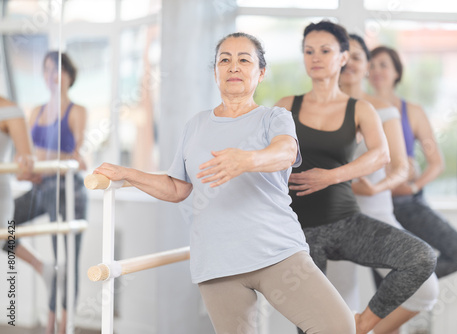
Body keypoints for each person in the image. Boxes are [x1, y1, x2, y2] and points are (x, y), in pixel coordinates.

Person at [93, 32, 355, 334]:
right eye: (224, 60)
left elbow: (285, 153)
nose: (234, 67)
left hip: (277, 251)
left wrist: (245, 160)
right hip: (218, 262)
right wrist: (128, 174)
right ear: (215, 72)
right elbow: (177, 187)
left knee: (338, 326)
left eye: (244, 60)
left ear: (260, 72)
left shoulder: (274, 117)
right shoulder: (196, 125)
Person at [274, 20, 437, 334]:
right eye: (308, 51)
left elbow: (381, 154)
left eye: (325, 50)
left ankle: (362, 323)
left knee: (420, 257)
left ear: (343, 57)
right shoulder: (285, 107)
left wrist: (332, 176)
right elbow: (266, 159)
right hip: (298, 232)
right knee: (312, 326)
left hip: (346, 222)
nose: (315, 57)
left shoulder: (360, 108)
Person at [337, 34, 439, 334]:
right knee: (341, 303)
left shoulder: (383, 109)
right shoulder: (318, 110)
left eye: (358, 56)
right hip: (334, 218)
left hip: (377, 213)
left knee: (425, 288)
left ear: (366, 65)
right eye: (344, 55)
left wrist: (375, 188)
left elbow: (399, 168)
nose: (349, 62)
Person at [368, 46, 457, 279]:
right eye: (371, 65)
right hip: (375, 208)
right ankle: (397, 287)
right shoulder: (360, 109)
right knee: (384, 294)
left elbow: (436, 162)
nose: (376, 70)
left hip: (409, 205)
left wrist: (414, 186)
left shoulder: (413, 112)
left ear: (397, 72)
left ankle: (407, 279)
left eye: (383, 64)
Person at [9, 51, 88, 334]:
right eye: (47, 70)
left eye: (58, 70)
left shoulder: (76, 111)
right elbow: (25, 160)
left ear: (68, 75)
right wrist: (31, 164)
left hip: (68, 192)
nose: (52, 76)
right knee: (4, 228)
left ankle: (58, 326)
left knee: (67, 259)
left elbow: (76, 157)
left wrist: (37, 158)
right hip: (40, 189)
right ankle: (44, 269)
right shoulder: (35, 112)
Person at [0, 96, 34, 231]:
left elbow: (27, 156)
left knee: (7, 235)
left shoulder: (10, 109)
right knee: (10, 240)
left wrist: (24, 161)